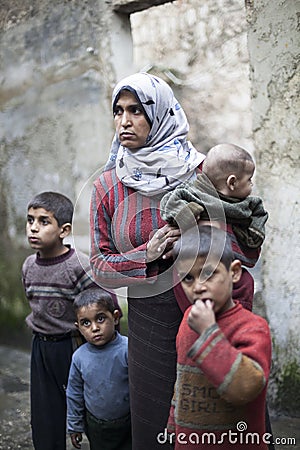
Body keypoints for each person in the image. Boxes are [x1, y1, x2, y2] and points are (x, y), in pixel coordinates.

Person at [89, 72, 206, 450]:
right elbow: (99, 265)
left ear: (160, 114)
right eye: (118, 111)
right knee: (154, 422)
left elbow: (244, 245)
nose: (124, 121)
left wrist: (192, 244)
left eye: (136, 111)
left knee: (211, 418)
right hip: (149, 323)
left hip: (206, 313)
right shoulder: (108, 184)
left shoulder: (200, 172)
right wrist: (147, 254)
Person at [22, 191, 121, 450]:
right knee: (45, 413)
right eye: (30, 220)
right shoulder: (28, 266)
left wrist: (103, 341)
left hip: (74, 346)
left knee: (87, 404)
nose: (34, 228)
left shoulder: (78, 267)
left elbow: (107, 301)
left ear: (63, 230)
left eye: (44, 221)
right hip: (41, 348)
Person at [166, 225, 272, 449]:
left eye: (208, 274)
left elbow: (244, 389)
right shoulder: (188, 321)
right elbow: (183, 380)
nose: (198, 287)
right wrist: (173, 423)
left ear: (234, 272)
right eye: (188, 279)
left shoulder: (253, 328)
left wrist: (208, 333)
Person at [160, 143, 268, 312]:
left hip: (226, 266)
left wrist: (251, 235)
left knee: (245, 284)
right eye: (249, 180)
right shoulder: (194, 193)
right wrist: (187, 215)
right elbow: (169, 203)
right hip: (192, 266)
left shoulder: (248, 206)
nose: (251, 185)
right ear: (232, 182)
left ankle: (233, 322)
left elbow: (257, 227)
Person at [66, 288, 131, 450]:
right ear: (78, 327)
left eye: (100, 319)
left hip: (129, 422)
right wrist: (74, 425)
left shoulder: (128, 349)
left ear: (115, 317)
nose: (94, 328)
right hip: (96, 425)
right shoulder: (79, 357)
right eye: (86, 323)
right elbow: (74, 393)